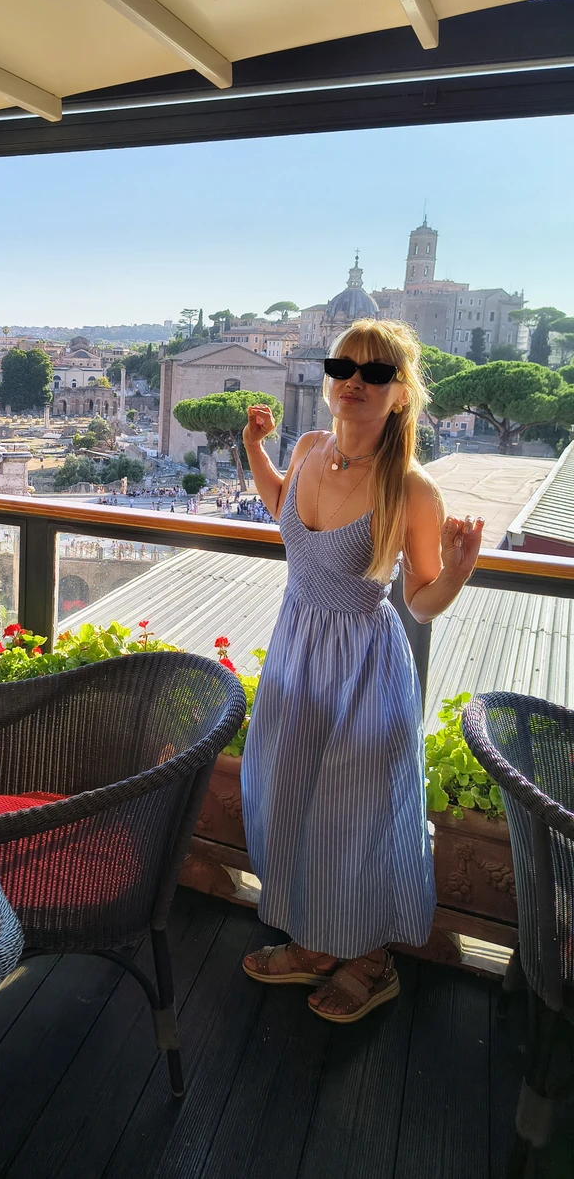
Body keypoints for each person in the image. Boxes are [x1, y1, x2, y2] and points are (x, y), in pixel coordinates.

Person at [238, 318, 483, 1024]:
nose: (354, 381)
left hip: (362, 671)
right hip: (296, 650)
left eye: (376, 373)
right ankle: (317, 943)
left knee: (357, 815)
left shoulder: (411, 489)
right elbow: (283, 507)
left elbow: (420, 601)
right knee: (290, 795)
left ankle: (371, 960)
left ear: (401, 393)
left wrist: (458, 570)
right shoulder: (308, 448)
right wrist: (254, 448)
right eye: (343, 366)